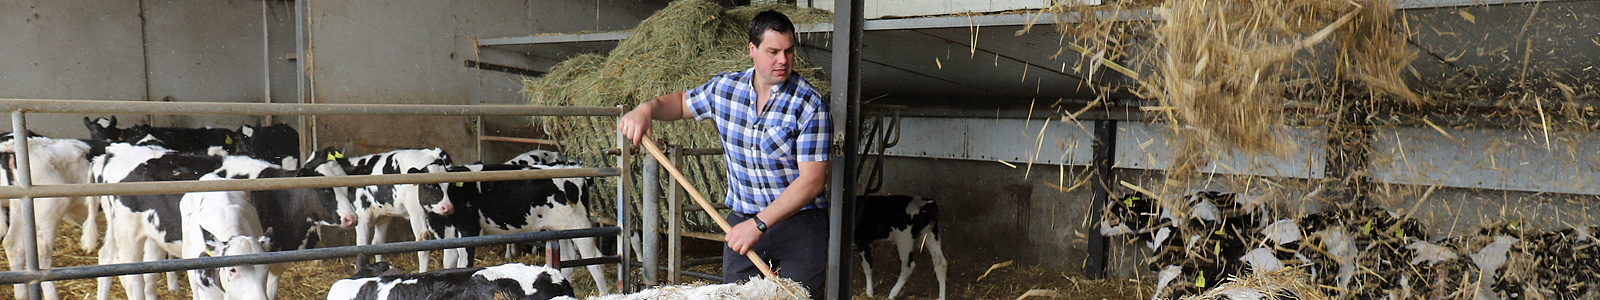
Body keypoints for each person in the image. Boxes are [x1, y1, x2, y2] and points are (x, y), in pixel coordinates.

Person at [617, 10, 832, 299]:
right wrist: (647, 109)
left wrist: (759, 224)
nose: (783, 60)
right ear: (752, 51)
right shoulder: (726, 89)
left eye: (789, 51)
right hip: (742, 221)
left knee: (797, 297)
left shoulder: (809, 104)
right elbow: (681, 103)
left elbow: (812, 181)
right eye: (773, 51)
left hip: (799, 225)